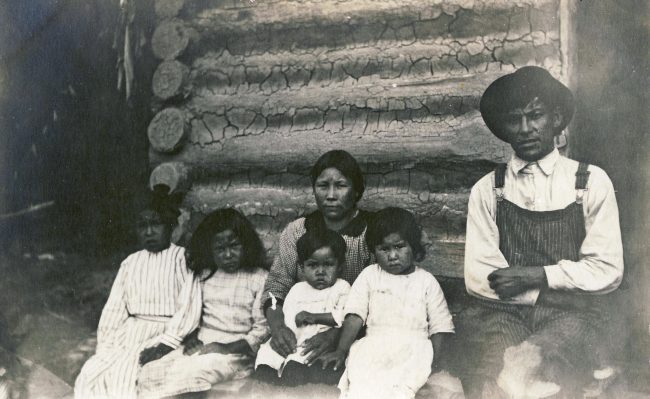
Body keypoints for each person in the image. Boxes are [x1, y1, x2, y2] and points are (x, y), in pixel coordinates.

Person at [463, 66, 624, 398]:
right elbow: (479, 276)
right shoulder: (488, 189)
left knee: (540, 368)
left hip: (573, 316)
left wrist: (537, 275)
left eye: (535, 115)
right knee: (495, 376)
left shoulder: (590, 182)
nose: (525, 129)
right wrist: (548, 291)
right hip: (505, 314)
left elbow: (607, 270)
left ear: (556, 117)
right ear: (503, 129)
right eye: (514, 119)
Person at [74, 186, 202, 399]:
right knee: (91, 372)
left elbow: (189, 305)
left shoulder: (182, 258)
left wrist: (167, 343)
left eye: (155, 225)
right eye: (143, 226)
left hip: (166, 332)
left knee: (127, 375)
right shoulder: (131, 262)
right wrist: (106, 346)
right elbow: (115, 309)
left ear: (170, 227)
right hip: (130, 333)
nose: (149, 232)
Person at [320, 207, 455, 399]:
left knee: (403, 390)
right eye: (384, 249)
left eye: (399, 247)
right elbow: (354, 316)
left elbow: (440, 327)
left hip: (413, 348)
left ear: (413, 246)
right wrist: (341, 350)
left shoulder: (426, 281)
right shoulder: (370, 276)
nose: (392, 256)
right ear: (374, 250)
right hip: (375, 346)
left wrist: (434, 366)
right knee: (364, 386)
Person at [137, 208, 270, 398]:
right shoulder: (204, 276)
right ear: (209, 249)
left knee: (195, 374)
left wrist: (225, 348)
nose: (227, 254)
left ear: (246, 244)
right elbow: (190, 316)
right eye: (220, 249)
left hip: (235, 354)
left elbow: (262, 331)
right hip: (201, 347)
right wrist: (191, 339)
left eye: (234, 246)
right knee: (151, 372)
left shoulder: (259, 278)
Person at [262, 150, 373, 370]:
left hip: (358, 334)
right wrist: (277, 328)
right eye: (323, 186)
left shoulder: (371, 233)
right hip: (301, 335)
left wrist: (337, 335)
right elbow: (274, 291)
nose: (331, 195)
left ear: (357, 190)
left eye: (341, 186)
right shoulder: (297, 231)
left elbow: (377, 300)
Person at [255, 228, 351, 386]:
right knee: (267, 357)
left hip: (316, 341)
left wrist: (315, 318)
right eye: (312, 265)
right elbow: (287, 316)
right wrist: (284, 335)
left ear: (340, 266)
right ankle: (267, 376)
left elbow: (344, 316)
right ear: (302, 267)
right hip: (293, 338)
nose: (320, 271)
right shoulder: (297, 289)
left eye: (328, 265)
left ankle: (291, 381)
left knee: (297, 365)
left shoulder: (342, 288)